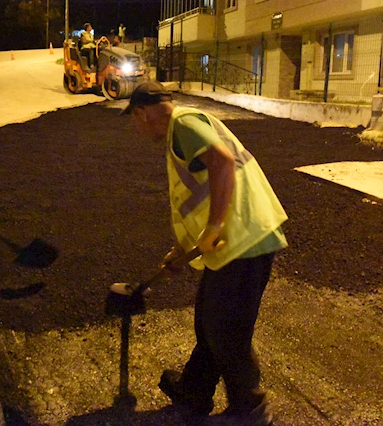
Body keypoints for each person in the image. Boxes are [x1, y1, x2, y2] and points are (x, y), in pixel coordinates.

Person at [122, 81, 287, 425]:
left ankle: (251, 410)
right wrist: (181, 251)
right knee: (209, 320)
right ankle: (194, 391)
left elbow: (223, 163)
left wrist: (213, 228)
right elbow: (198, 194)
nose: (137, 129)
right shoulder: (184, 131)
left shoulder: (182, 124)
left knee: (226, 329)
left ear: (141, 112)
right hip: (235, 239)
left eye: (135, 121)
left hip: (244, 237)